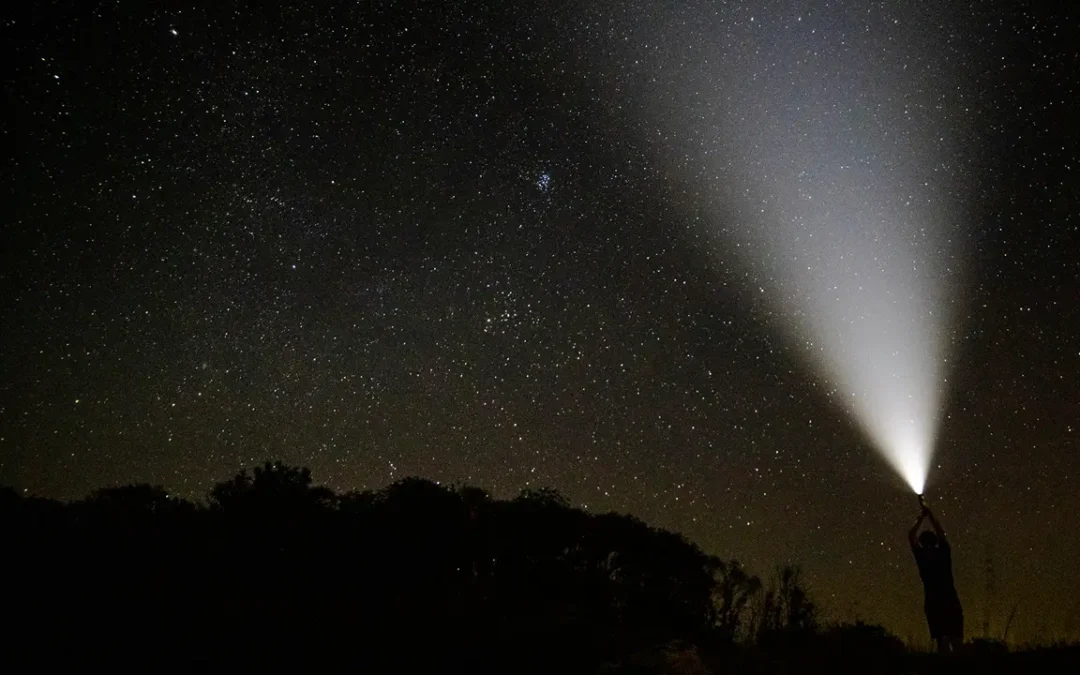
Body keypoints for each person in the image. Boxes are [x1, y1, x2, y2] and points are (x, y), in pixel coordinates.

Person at [909, 498, 964, 653]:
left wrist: (921, 517)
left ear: (921, 543)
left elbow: (910, 535)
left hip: (933, 602)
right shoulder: (943, 552)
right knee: (957, 641)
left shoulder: (921, 556)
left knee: (942, 642)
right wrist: (929, 512)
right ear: (935, 541)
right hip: (950, 599)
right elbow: (941, 531)